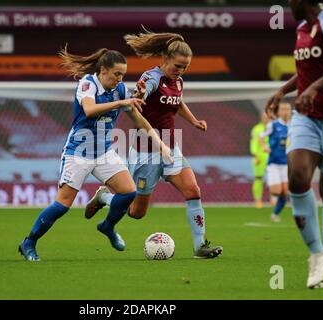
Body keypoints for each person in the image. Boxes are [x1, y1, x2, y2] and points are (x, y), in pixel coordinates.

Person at [18, 47, 172, 261]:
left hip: (104, 153)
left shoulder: (120, 90)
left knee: (128, 192)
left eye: (123, 75)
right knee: (62, 205)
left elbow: (139, 119)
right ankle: (29, 242)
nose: (120, 79)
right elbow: (90, 110)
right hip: (78, 153)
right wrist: (122, 102)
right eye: (117, 73)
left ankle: (108, 227)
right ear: (103, 70)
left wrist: (160, 144)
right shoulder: (88, 84)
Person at [85, 29, 223, 259]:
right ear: (165, 59)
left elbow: (177, 103)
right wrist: (138, 93)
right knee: (136, 212)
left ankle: (200, 246)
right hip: (145, 151)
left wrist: (193, 121)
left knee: (193, 191)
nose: (180, 71)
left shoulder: (177, 81)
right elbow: (141, 94)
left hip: (171, 147)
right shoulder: (151, 79)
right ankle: (104, 197)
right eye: (178, 65)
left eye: (185, 67)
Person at [266, 0, 323, 289]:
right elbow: (308, 72)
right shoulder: (302, 29)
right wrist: (284, 89)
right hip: (307, 118)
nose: (287, 3)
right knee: (298, 176)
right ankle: (317, 255)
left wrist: (315, 87)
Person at [259, 102, 291, 222]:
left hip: (286, 164)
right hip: (273, 163)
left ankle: (275, 214)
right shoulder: (273, 125)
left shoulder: (293, 126)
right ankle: (271, 190)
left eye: (288, 109)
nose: (286, 112)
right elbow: (261, 137)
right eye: (283, 109)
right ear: (278, 112)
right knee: (276, 191)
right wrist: (264, 147)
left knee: (285, 193)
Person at [249, 112, 271, 209]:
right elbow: (254, 142)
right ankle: (258, 200)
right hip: (260, 156)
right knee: (258, 178)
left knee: (274, 178)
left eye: (267, 116)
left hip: (272, 156)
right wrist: (255, 155)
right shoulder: (257, 129)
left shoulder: (274, 127)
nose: (266, 118)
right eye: (264, 117)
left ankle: (274, 200)